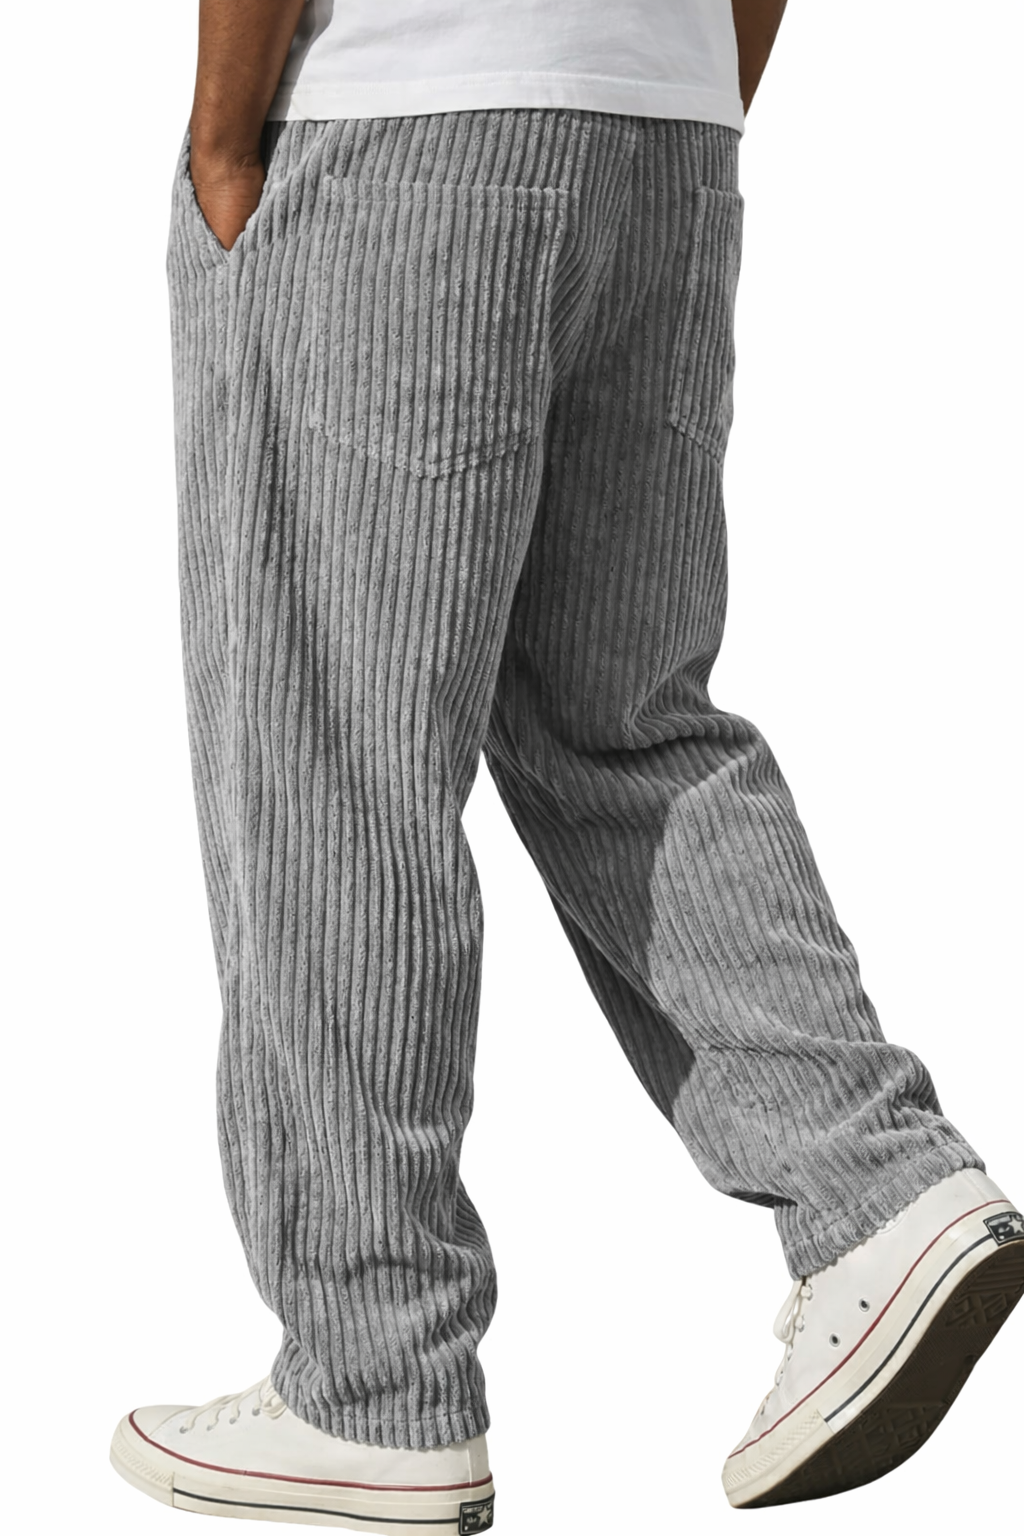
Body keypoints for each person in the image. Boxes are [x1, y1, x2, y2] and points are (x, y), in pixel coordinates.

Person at [109, 2, 1022, 1527]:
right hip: (663, 136)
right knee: (625, 719)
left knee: (334, 755)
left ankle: (373, 1380)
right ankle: (881, 1192)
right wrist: (676, 97)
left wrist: (220, 140)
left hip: (393, 123)